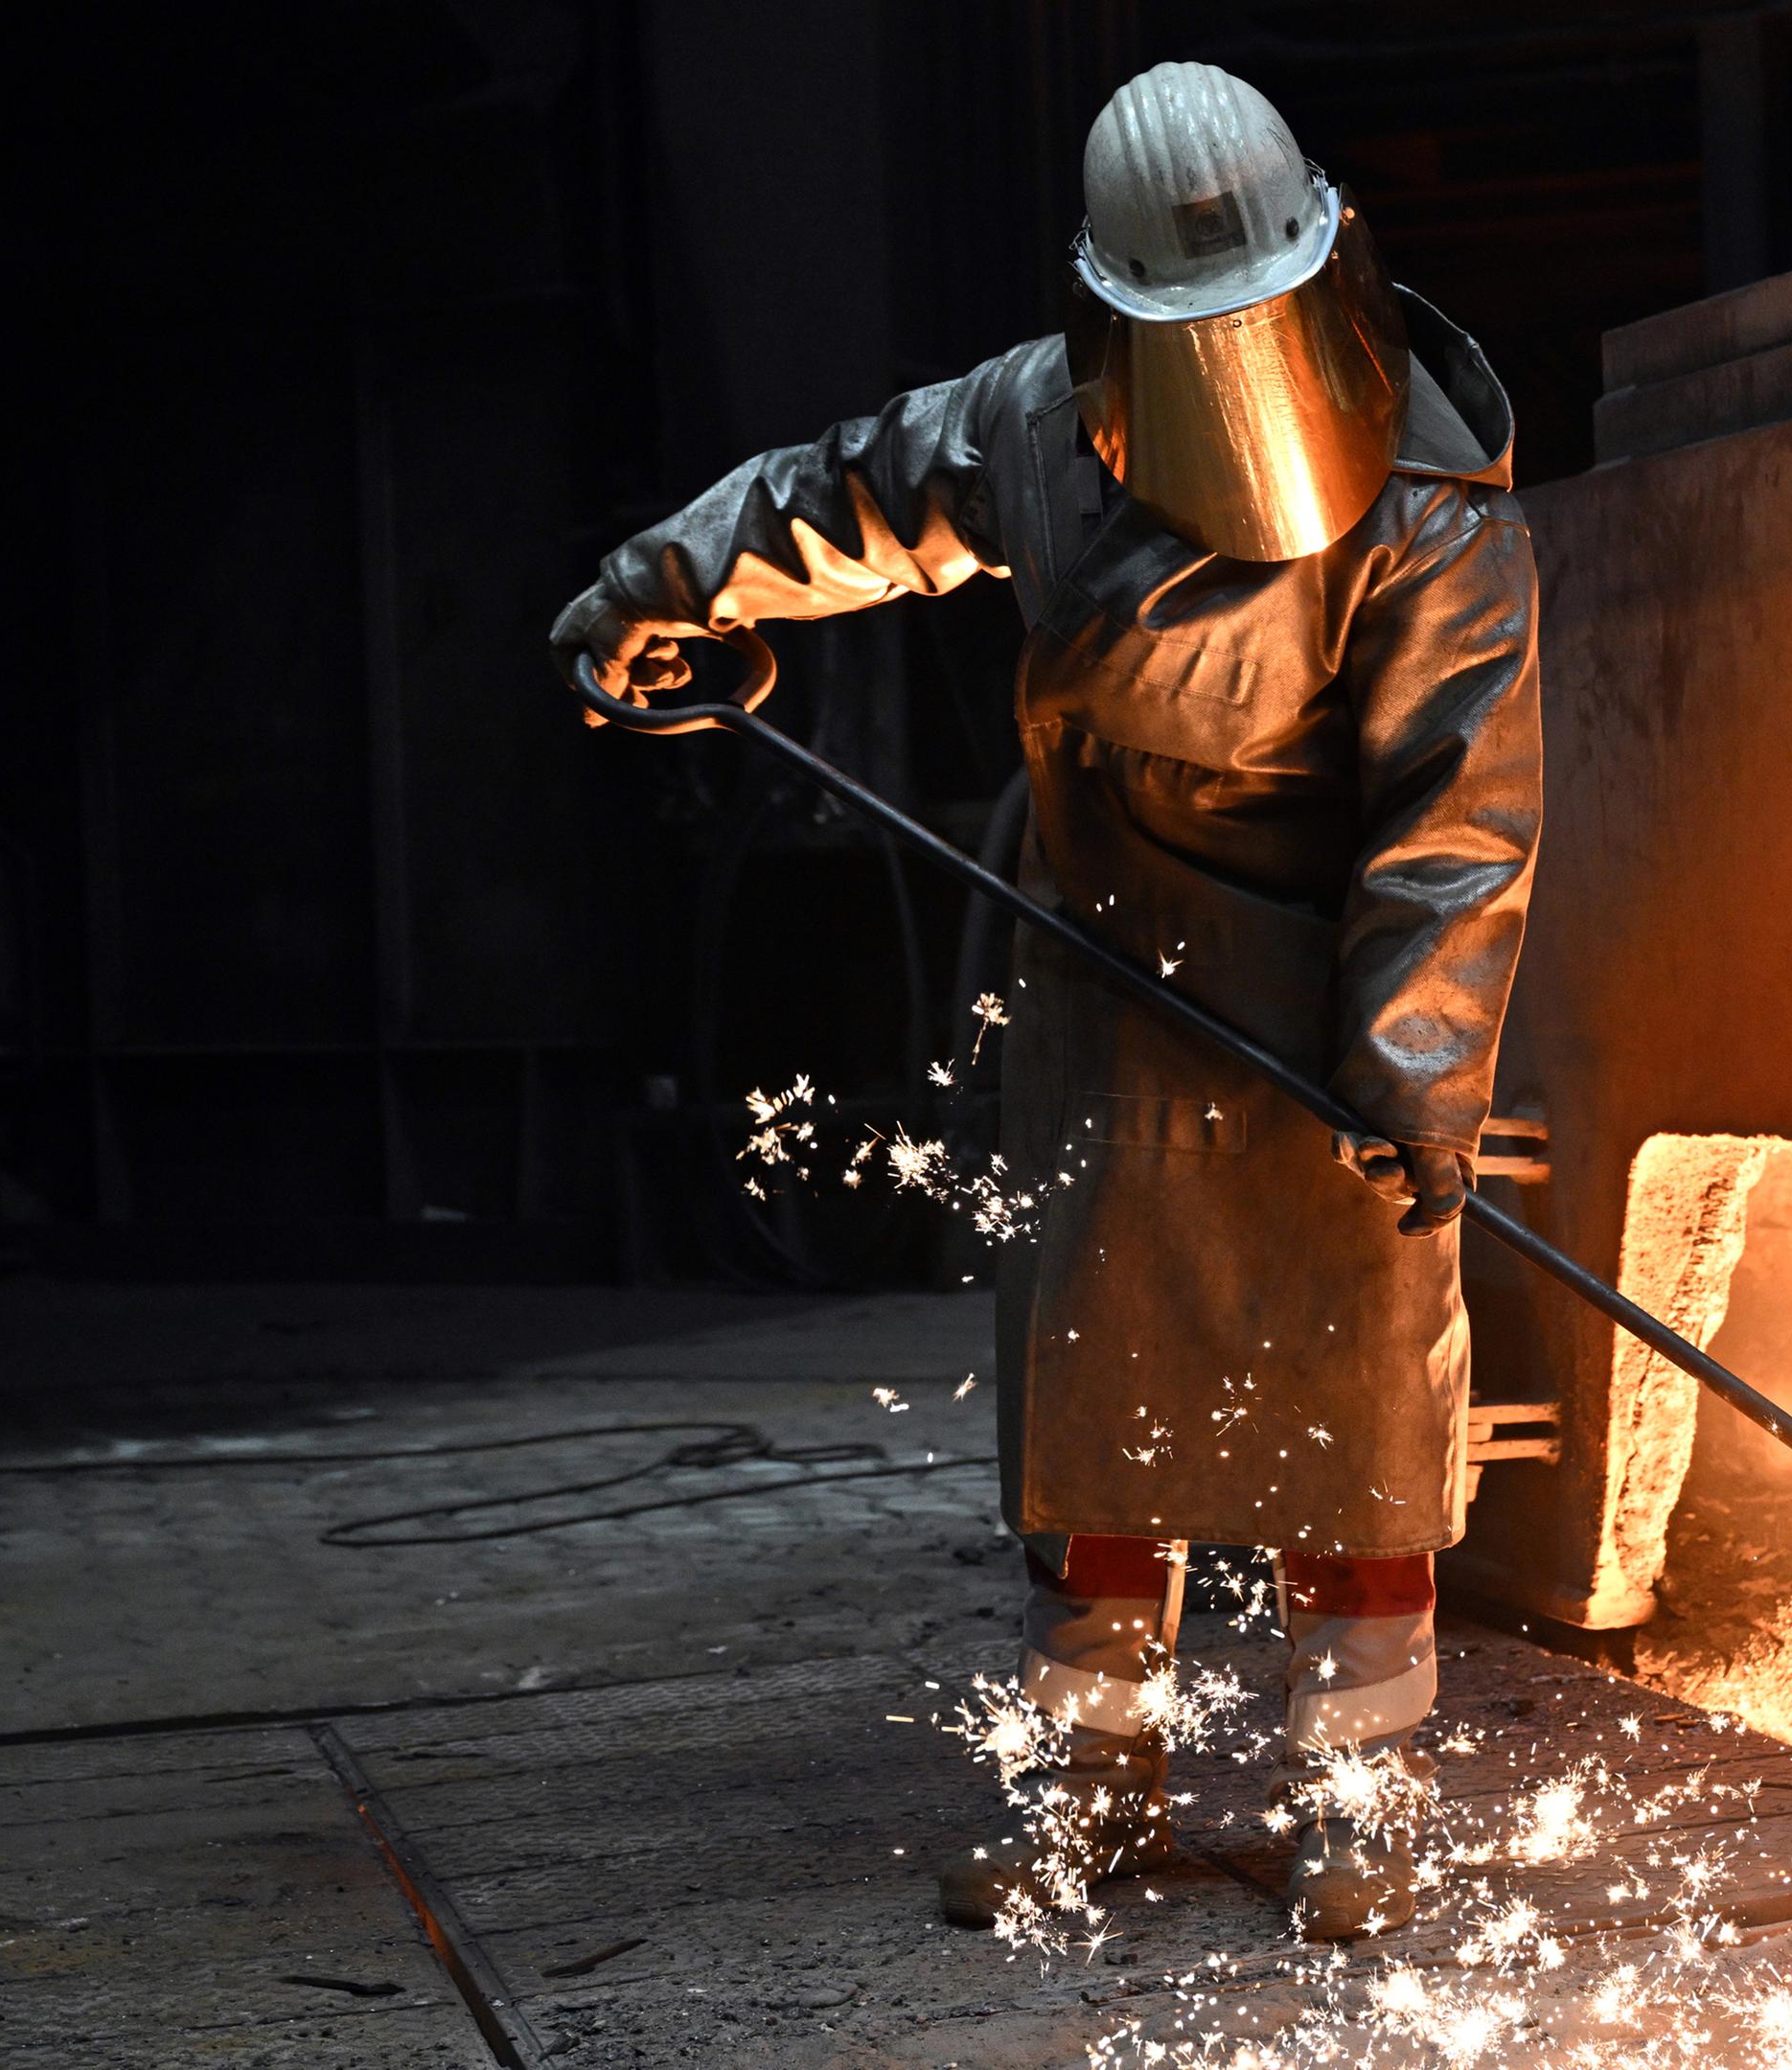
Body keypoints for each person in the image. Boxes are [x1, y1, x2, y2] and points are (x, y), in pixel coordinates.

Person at [548, 61, 1539, 1942]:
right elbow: (847, 493)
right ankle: (1093, 1794)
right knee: (1101, 1421)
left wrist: (1415, 1063)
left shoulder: (1429, 505)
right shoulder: (1040, 423)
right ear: (1117, 319)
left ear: (1323, 267)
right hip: (1108, 985)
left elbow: (1454, 824)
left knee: (1355, 1445)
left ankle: (1362, 1803)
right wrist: (665, 583)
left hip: (1328, 1023)